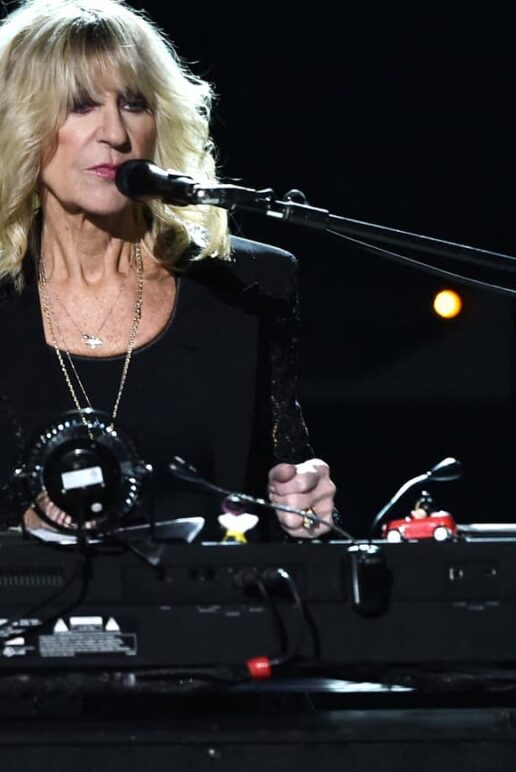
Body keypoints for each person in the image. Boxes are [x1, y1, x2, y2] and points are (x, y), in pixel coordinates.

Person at [0, 0, 335, 538]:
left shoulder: (245, 286)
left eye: (134, 103)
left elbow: (284, 500)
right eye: (81, 106)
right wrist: (22, 536)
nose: (115, 132)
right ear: (22, 124)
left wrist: (308, 511)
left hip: (210, 595)